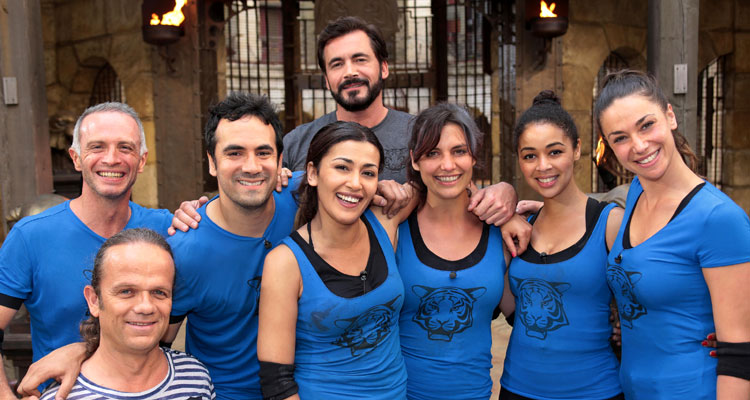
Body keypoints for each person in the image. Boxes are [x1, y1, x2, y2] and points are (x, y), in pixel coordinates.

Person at [594, 70, 750, 399]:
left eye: (646, 125)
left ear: (670, 116)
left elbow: (740, 353)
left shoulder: (719, 219)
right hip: (633, 389)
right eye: (620, 138)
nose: (638, 146)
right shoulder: (635, 192)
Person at [0, 102, 173, 399]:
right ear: (76, 158)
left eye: (125, 148)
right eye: (97, 147)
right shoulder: (31, 237)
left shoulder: (169, 231)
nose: (111, 158)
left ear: (142, 160)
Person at [281, 16, 519, 230]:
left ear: (384, 68)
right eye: (337, 64)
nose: (350, 72)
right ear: (326, 80)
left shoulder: (424, 134)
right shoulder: (296, 142)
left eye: (360, 59)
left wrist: (505, 194)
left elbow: (463, 191)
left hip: (403, 273)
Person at [159, 92, 302, 400]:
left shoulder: (302, 197)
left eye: (264, 153)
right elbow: (156, 345)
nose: (251, 167)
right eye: (234, 153)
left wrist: (391, 189)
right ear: (212, 162)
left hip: (304, 389)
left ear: (280, 161)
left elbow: (357, 184)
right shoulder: (185, 253)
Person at [257, 121, 413, 399]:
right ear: (314, 173)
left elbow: (434, 186)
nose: (355, 183)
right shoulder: (285, 263)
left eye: (368, 173)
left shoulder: (385, 223)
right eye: (342, 167)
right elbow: (277, 383)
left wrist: (504, 208)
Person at [499, 91, 624, 400]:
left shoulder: (609, 223)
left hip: (595, 390)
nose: (543, 166)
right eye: (530, 155)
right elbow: (512, 308)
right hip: (518, 388)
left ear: (577, 149)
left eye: (554, 152)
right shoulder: (519, 229)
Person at [396, 103, 514, 400]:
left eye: (459, 151)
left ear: (474, 156)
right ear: (414, 159)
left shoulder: (502, 233)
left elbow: (528, 319)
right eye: (433, 153)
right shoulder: (392, 229)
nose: (447, 165)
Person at [39, 228, 215, 400]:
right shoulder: (63, 395)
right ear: (94, 300)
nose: (146, 307)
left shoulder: (195, 379)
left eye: (159, 292)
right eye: (126, 291)